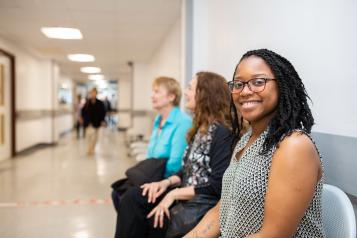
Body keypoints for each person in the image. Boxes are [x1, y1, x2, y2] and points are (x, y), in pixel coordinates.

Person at [184, 49, 325, 238]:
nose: (245, 91)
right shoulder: (245, 141)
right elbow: (221, 211)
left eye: (258, 82)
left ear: (281, 85)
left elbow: (273, 235)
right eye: (238, 84)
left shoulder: (293, 145)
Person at [115, 72, 235, 238]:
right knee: (132, 197)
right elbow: (186, 169)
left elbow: (218, 185)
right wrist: (165, 183)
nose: (185, 93)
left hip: (200, 200)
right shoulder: (200, 129)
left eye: (190, 88)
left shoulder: (221, 133)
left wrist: (173, 193)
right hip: (185, 191)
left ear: (206, 94)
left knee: (149, 215)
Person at [111, 77, 192, 217]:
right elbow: (151, 154)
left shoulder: (183, 122)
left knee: (127, 198)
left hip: (167, 181)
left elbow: (175, 164)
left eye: (157, 92)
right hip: (153, 174)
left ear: (171, 97)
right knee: (117, 192)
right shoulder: (158, 119)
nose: (152, 95)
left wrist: (151, 180)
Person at [82, 88, 106, 156]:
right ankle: (89, 149)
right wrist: (83, 119)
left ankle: (92, 149)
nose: (93, 94)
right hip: (88, 123)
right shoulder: (87, 102)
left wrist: (102, 120)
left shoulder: (100, 103)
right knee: (88, 137)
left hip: (96, 123)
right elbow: (83, 112)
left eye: (94, 93)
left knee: (95, 138)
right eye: (92, 93)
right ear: (90, 93)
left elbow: (103, 112)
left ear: (96, 93)